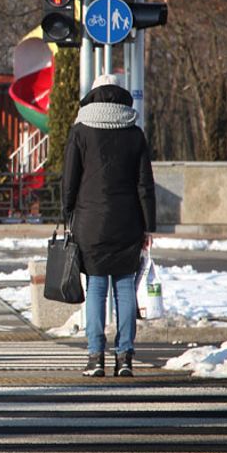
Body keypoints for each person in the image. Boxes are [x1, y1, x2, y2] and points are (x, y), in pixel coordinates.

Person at [62, 73, 155, 378]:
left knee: (97, 288)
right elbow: (145, 184)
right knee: (125, 288)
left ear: (93, 96)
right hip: (128, 221)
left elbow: (70, 179)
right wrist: (148, 226)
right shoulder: (134, 133)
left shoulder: (80, 131)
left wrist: (67, 213)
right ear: (120, 96)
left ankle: (95, 358)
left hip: (90, 222)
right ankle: (125, 357)